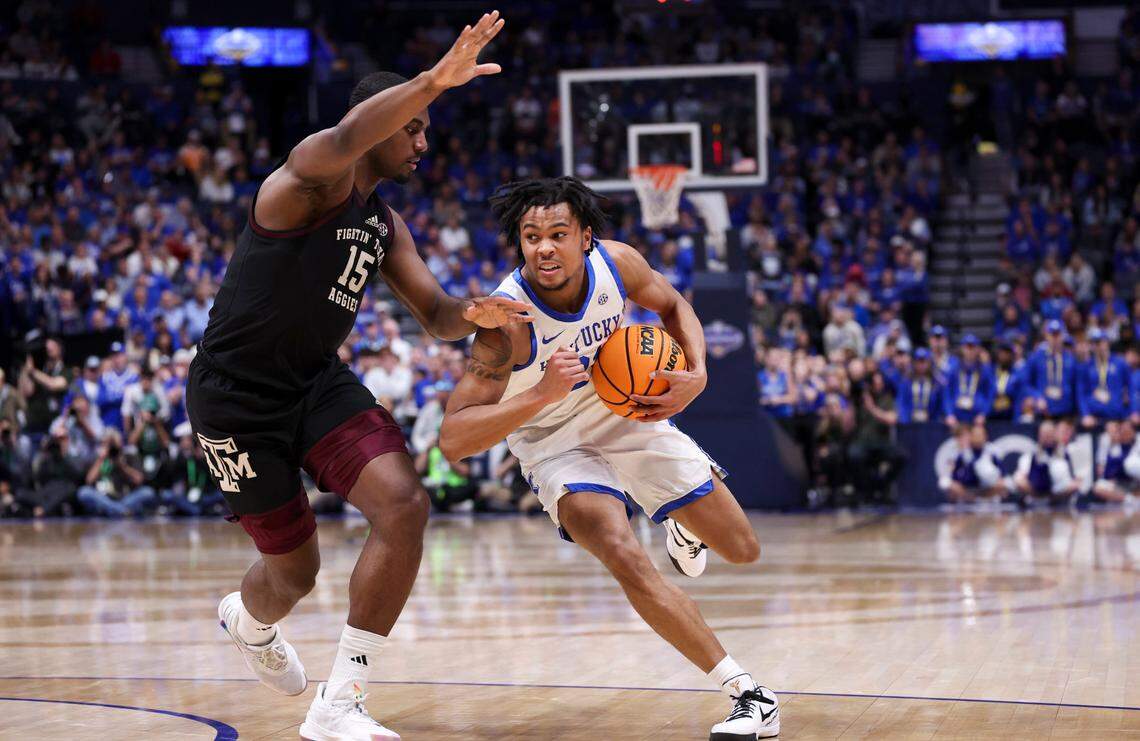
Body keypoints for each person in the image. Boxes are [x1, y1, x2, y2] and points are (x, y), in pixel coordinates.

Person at [184, 14, 526, 740]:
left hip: (314, 383)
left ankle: (340, 702)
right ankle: (247, 619)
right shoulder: (309, 174)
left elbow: (435, 313)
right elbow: (345, 138)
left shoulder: (386, 223)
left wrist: (477, 311)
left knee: (404, 505)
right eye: (416, 128)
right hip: (234, 396)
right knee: (294, 572)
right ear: (385, 122)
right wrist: (432, 79)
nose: (423, 142)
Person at [438, 177, 779, 739]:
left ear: (586, 237)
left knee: (741, 549)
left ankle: (683, 528)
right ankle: (748, 694)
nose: (544, 247)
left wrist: (696, 375)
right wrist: (538, 394)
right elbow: (453, 439)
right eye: (531, 237)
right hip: (551, 442)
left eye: (557, 234)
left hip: (625, 415)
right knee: (621, 551)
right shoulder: (507, 327)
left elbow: (673, 304)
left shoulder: (617, 264)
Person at [1012, 421, 1080, 507]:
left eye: (1050, 434)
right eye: (1044, 434)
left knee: (1075, 485)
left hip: (1060, 491)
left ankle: (1051, 500)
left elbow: (1077, 478)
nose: (1047, 437)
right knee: (1018, 479)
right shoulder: (1030, 455)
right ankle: (1042, 499)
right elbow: (1021, 476)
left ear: (1055, 435)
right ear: (1039, 436)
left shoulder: (1067, 453)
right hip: (1036, 491)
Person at [939, 423, 1006, 505]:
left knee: (1002, 484)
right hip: (968, 487)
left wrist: (997, 480)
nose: (978, 438)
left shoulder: (992, 451)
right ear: (971, 437)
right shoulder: (964, 452)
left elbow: (1002, 472)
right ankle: (972, 500)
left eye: (980, 435)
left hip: (987, 486)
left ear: (985, 436)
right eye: (975, 435)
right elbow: (954, 475)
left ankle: (985, 500)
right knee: (948, 484)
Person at [1077, 329, 1130, 428]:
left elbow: (1130, 387)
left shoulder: (1120, 363)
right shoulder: (1085, 367)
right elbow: (1081, 393)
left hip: (1117, 416)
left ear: (1107, 342)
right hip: (1094, 418)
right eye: (1094, 343)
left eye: (1100, 342)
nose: (1097, 346)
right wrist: (1085, 414)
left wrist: (1130, 412)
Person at [1030, 320, 1077, 418]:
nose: (1055, 338)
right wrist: (1037, 397)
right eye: (1052, 334)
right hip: (1043, 411)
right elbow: (1027, 383)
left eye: (1058, 334)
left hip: (1065, 412)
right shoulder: (1037, 357)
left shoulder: (1071, 359)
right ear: (1046, 336)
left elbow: (1076, 386)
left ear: (1063, 336)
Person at [942, 334, 992, 428]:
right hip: (956, 419)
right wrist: (949, 414)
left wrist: (984, 414)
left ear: (978, 349)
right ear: (962, 349)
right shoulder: (953, 369)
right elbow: (947, 393)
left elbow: (989, 394)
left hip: (977, 420)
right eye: (967, 347)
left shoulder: (985, 370)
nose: (970, 350)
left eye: (973, 347)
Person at [1090, 420, 1140, 507]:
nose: (1125, 432)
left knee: (1131, 463)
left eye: (1128, 430)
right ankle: (1132, 500)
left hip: (1136, 482)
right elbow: (1103, 473)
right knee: (1098, 487)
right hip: (1119, 484)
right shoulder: (1112, 445)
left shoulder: (1138, 442)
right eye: (1122, 430)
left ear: (1133, 431)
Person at [896, 348, 942, 423]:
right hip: (910, 424)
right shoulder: (906, 382)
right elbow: (901, 402)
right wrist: (904, 420)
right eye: (919, 362)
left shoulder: (936, 383)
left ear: (929, 363)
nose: (921, 365)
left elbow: (938, 406)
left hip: (930, 425)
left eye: (924, 362)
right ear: (914, 363)